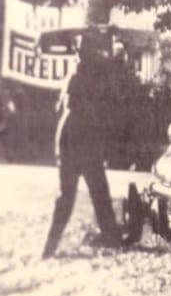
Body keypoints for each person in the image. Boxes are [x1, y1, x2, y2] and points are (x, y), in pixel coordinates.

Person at [41, 32, 123, 259]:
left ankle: (49, 247)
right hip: (81, 139)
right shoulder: (84, 74)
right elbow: (95, 110)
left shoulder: (75, 74)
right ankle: (113, 240)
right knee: (98, 192)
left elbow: (61, 108)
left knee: (69, 196)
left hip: (68, 137)